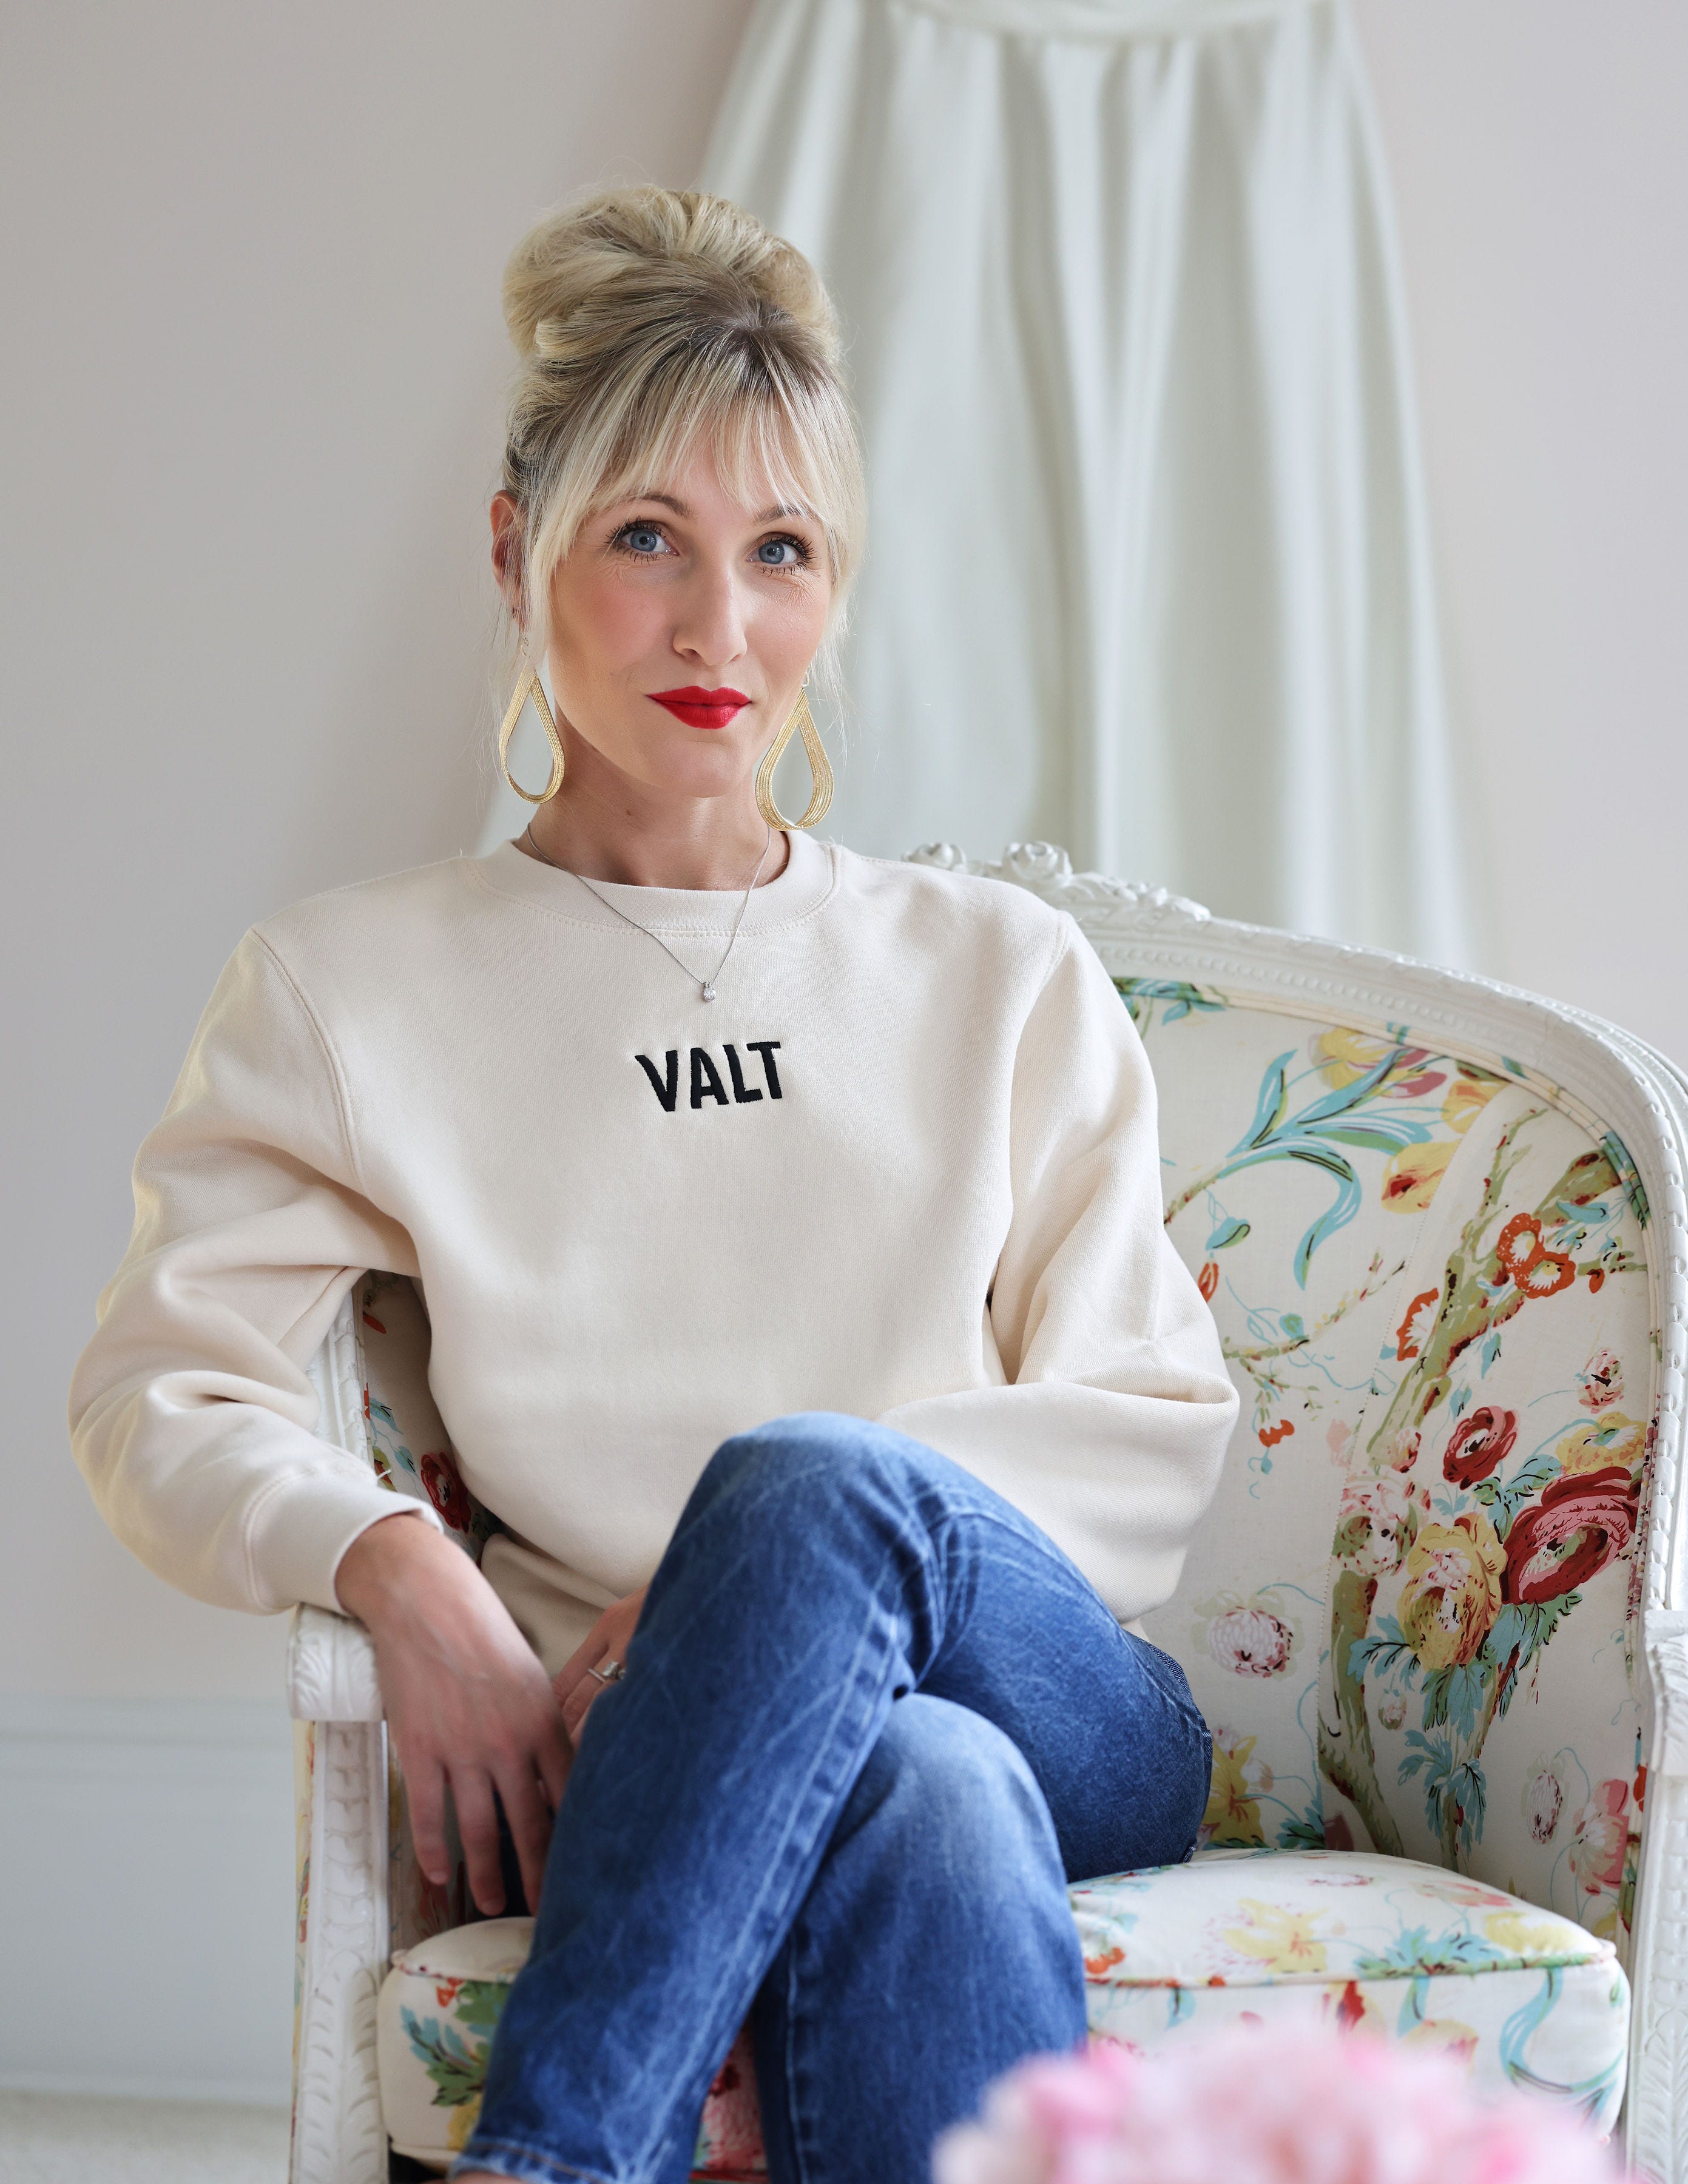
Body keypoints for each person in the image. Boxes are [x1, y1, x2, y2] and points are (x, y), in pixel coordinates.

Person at [68, 186, 1238, 2184]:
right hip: (665, 1760)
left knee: (808, 1493)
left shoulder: (998, 972)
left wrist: (768, 1565)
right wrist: (391, 1557)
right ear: (515, 550)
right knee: (924, 1791)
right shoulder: (357, 988)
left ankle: (549, 2160)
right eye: (645, 541)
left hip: (1068, 1704)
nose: (719, 629)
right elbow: (154, 1393)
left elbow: (1151, 1422)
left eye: (782, 551)